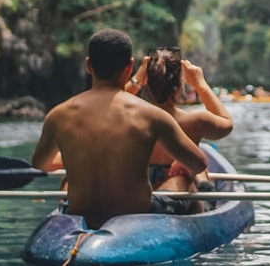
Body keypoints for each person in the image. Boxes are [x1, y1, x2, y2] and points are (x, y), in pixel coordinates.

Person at [31, 28, 208, 229]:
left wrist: (72, 157)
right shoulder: (151, 115)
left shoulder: (58, 115)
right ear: (130, 66)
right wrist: (181, 167)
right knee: (184, 181)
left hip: (82, 215)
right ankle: (194, 233)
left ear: (89, 65)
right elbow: (199, 163)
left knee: (67, 179)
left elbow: (40, 163)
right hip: (138, 215)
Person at [126, 47, 234, 194]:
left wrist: (136, 80)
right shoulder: (195, 120)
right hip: (181, 199)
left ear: (147, 84)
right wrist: (201, 85)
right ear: (178, 87)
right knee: (195, 177)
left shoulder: (130, 118)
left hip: (143, 194)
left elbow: (112, 104)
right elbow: (226, 123)